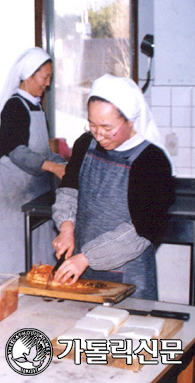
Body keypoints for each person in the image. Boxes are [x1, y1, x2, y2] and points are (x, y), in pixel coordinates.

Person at [51, 74, 175, 300]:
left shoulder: (151, 160)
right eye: (92, 124)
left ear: (130, 120)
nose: (99, 135)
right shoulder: (85, 143)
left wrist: (87, 257)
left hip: (128, 275)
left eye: (107, 127)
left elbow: (142, 231)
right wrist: (66, 227)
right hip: (81, 266)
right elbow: (69, 188)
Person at [0, 47, 66, 275]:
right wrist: (53, 167)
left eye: (49, 77)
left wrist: (65, 165)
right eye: (45, 77)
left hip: (34, 194)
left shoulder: (36, 106)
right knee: (13, 256)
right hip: (14, 197)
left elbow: (44, 151)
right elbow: (18, 153)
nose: (47, 84)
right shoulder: (14, 107)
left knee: (38, 253)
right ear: (29, 76)